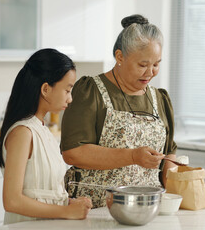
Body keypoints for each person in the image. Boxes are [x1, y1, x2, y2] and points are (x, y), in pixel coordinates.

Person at [60, 14, 177, 208]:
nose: (150, 72)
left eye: (156, 64)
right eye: (143, 65)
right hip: (95, 208)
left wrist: (176, 191)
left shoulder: (160, 99)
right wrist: (132, 156)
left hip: (148, 208)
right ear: (120, 56)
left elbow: (169, 155)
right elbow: (73, 152)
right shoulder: (91, 91)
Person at [0, 48, 92, 224]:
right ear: (46, 89)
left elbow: (42, 192)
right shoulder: (23, 133)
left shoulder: (43, 130)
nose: (70, 99)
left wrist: (70, 204)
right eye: (67, 90)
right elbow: (12, 201)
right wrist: (66, 211)